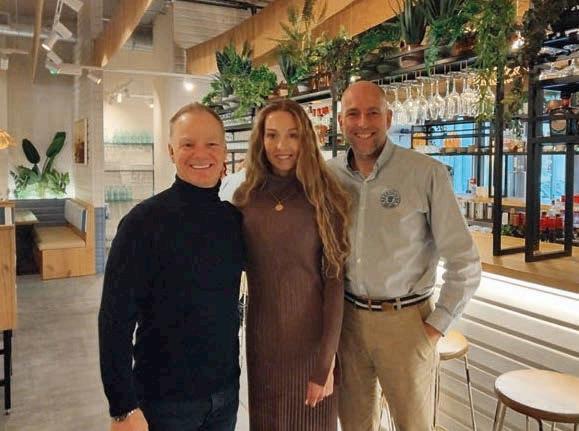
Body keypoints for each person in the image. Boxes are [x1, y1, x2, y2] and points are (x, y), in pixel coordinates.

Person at [327, 81, 481, 431]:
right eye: (353, 114)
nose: (362, 123)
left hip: (406, 323)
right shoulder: (329, 175)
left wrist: (434, 327)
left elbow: (465, 263)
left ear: (389, 118)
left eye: (372, 113)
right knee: (354, 425)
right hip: (347, 322)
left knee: (413, 425)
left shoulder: (426, 173)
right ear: (341, 121)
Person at [98, 103, 245, 431]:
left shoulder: (232, 220)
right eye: (188, 144)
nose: (200, 154)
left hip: (224, 396)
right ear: (171, 151)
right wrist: (122, 407)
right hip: (164, 403)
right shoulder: (143, 223)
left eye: (211, 144)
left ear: (224, 151)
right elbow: (114, 320)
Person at [233, 99, 351, 430]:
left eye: (292, 135)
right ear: (261, 140)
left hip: (312, 342)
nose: (281, 146)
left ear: (306, 139)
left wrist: (325, 364)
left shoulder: (324, 197)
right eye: (272, 135)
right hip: (262, 341)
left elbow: (334, 284)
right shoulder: (245, 198)